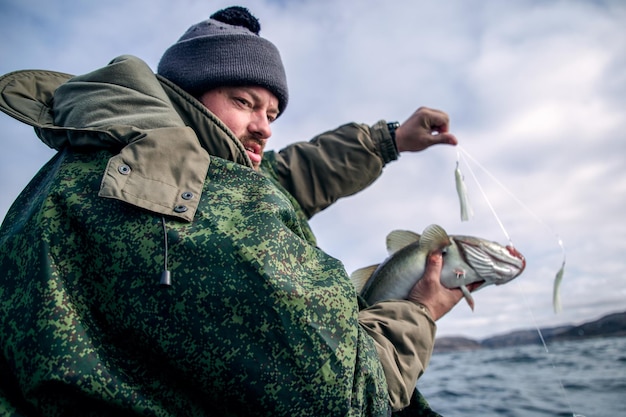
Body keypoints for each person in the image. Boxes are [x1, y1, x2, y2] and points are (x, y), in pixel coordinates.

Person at [0, 6, 463, 417]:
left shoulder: (114, 151)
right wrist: (419, 310)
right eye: (244, 102)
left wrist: (389, 139)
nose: (263, 128)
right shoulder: (188, 199)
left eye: (273, 113)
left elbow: (287, 174)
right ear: (186, 94)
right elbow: (353, 396)